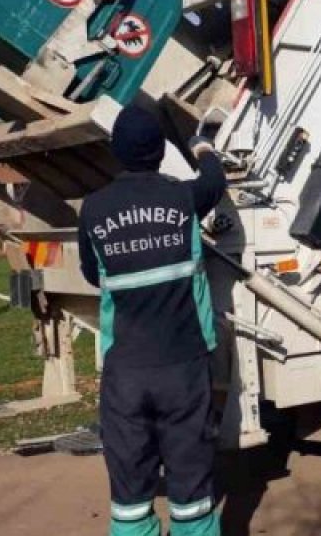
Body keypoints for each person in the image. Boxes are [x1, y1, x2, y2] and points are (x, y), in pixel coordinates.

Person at [78, 105, 226, 536]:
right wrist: (202, 147)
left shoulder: (94, 210)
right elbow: (215, 183)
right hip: (184, 369)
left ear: (116, 152)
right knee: (192, 493)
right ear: (161, 152)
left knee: (129, 496)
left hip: (125, 374)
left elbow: (94, 274)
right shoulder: (183, 199)